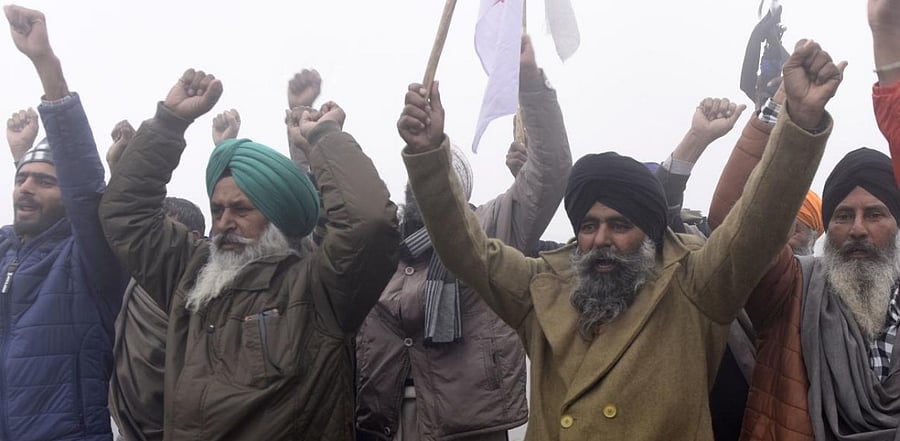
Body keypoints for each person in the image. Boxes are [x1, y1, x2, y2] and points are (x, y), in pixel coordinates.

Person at [398, 37, 842, 440]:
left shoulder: (695, 285)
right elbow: (465, 248)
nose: (601, 239)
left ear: (649, 230)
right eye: (588, 226)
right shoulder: (541, 289)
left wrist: (798, 124)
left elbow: (758, 224)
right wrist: (427, 154)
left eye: (619, 224)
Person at [98, 68, 399, 439]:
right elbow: (126, 215)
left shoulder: (320, 290)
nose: (224, 223)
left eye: (241, 210)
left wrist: (323, 137)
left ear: (276, 217)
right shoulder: (190, 278)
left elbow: (370, 224)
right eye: (217, 210)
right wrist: (169, 122)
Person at [355, 35, 572, 441]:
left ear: (457, 189)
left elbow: (550, 173)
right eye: (419, 177)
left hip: (467, 425)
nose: (423, 189)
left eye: (439, 175)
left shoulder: (491, 228)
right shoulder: (383, 244)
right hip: (380, 422)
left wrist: (529, 83)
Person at [1, 5, 128, 440]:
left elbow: (83, 188)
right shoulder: (5, 250)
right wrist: (23, 154)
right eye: (21, 180)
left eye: (43, 182)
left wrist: (45, 65)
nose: (26, 188)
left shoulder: (89, 259)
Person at [103, 119, 206, 441]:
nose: (150, 247)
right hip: (128, 428)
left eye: (161, 235)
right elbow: (123, 227)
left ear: (192, 239)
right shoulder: (130, 280)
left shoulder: (206, 291)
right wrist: (118, 167)